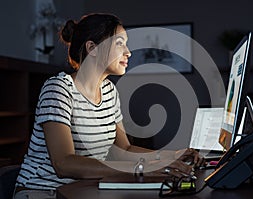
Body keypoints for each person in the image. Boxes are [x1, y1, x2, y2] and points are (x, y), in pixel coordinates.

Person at [14, 13, 204, 198]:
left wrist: (170, 156)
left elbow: (125, 150)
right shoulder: (58, 89)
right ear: (93, 48)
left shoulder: (109, 91)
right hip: (42, 191)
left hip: (84, 189)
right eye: (119, 43)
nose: (128, 52)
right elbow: (64, 164)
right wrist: (144, 167)